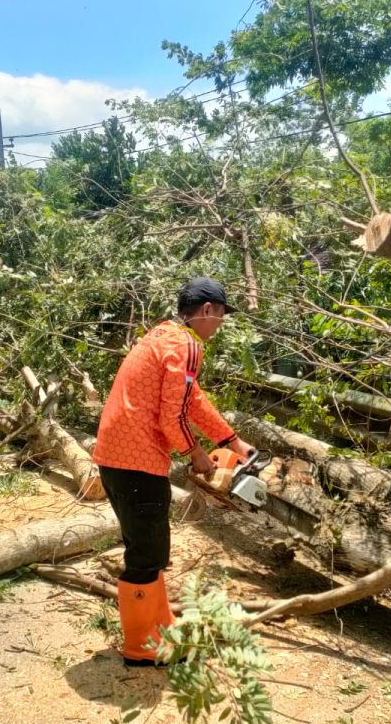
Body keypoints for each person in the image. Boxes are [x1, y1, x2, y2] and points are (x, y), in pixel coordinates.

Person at [92, 277, 255, 667]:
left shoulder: (162, 336)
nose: (219, 324)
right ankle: (141, 647)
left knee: (150, 548)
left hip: (116, 456)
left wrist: (233, 441)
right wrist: (196, 454)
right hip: (137, 461)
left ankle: (159, 627)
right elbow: (172, 416)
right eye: (221, 315)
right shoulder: (186, 345)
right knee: (147, 554)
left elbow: (191, 400)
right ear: (207, 310)